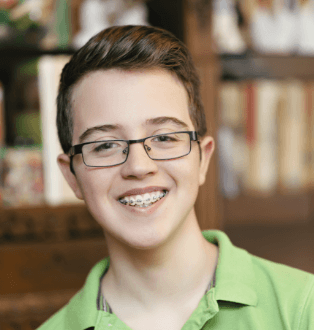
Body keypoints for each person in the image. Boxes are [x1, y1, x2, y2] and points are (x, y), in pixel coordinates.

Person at [37, 25, 314, 330]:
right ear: (72, 175)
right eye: (105, 145)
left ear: (203, 159)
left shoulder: (302, 308)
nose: (139, 167)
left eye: (165, 138)